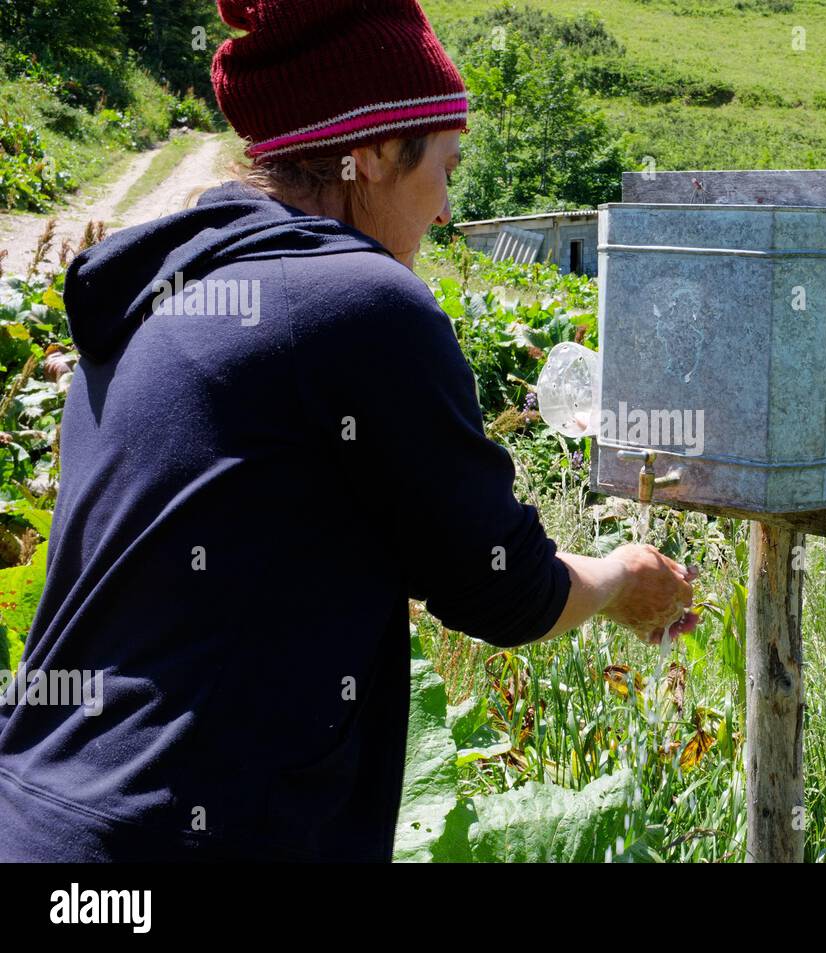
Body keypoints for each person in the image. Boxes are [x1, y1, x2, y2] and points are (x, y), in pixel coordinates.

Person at [0, 0, 697, 862]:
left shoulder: (155, 301)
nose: (446, 207)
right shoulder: (359, 304)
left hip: (40, 819)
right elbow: (504, 587)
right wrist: (622, 578)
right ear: (365, 154)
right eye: (445, 164)